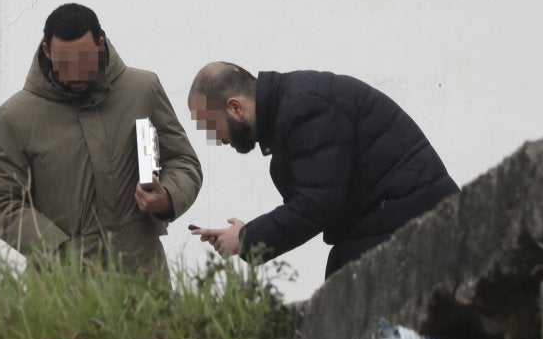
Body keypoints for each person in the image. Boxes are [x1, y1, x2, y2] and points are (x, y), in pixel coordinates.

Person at [0, 3, 202, 281]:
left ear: (100, 44)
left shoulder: (143, 90)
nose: (75, 76)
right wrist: (60, 251)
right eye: (65, 65)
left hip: (143, 286)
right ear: (47, 51)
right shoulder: (16, 116)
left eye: (83, 62)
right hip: (61, 294)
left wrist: (168, 196)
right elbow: (1, 201)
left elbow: (183, 161)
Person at [186, 62, 458, 277]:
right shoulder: (292, 109)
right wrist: (245, 234)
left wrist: (247, 238)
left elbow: (317, 204)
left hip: (417, 234)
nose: (217, 139)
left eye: (211, 125)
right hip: (393, 230)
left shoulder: (305, 106)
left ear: (235, 107)